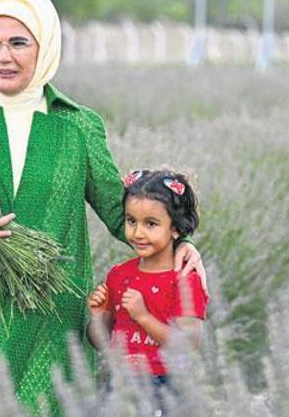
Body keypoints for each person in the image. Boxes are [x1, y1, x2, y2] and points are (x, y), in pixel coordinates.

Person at [0, 0, 207, 416]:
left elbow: (120, 210)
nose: (3, 57)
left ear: (45, 46)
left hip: (47, 311)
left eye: (19, 43)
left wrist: (179, 243)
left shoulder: (78, 126)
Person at [86, 170, 208, 415]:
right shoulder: (119, 275)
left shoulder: (185, 280)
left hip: (168, 386)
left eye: (150, 224)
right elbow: (101, 342)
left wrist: (143, 317)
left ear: (176, 228)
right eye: (131, 221)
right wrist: (99, 316)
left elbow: (188, 344)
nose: (138, 233)